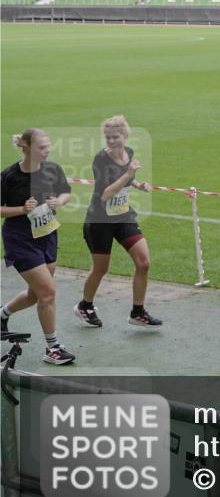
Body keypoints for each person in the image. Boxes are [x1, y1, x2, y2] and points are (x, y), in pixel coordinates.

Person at [74, 115, 160, 328]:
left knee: (144, 263)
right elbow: (105, 194)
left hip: (123, 216)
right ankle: (85, 306)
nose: (112, 141)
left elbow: (126, 177)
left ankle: (137, 312)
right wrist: (128, 174)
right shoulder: (100, 160)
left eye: (116, 137)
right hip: (100, 221)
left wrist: (138, 184)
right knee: (101, 269)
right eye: (108, 137)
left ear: (125, 135)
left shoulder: (128, 153)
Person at [0, 128, 75, 364]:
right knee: (48, 292)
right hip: (20, 239)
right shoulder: (9, 176)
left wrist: (57, 202)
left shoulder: (53, 170)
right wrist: (22, 209)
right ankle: (53, 348)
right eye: (42, 147)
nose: (47, 151)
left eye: (47, 146)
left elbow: (66, 193)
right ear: (26, 148)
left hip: (47, 236)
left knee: (36, 295)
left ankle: (2, 314)